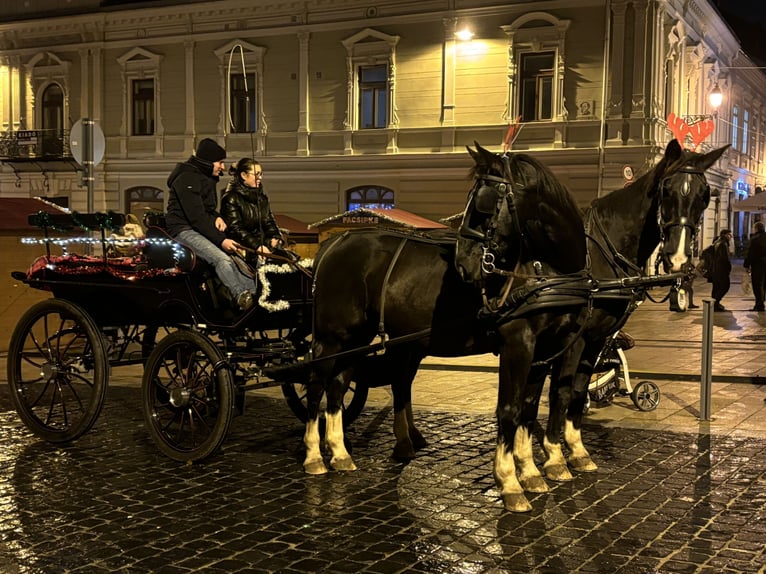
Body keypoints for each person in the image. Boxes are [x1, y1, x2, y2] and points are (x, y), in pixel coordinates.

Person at [165, 138, 255, 310]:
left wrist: (216, 217)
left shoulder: (204, 178)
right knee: (221, 259)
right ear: (207, 162)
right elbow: (196, 217)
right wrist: (221, 241)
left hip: (196, 227)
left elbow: (207, 209)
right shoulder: (187, 178)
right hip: (183, 229)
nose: (222, 167)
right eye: (220, 162)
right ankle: (241, 296)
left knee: (234, 257)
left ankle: (253, 291)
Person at [220, 158, 284, 266]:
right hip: (242, 250)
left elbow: (269, 221)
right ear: (244, 175)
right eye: (256, 174)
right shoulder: (231, 198)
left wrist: (275, 237)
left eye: (261, 174)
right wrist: (257, 246)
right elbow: (236, 229)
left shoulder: (262, 198)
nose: (260, 178)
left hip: (263, 247)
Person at [744, 221, 766, 312]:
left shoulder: (754, 239)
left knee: (758, 285)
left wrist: (746, 265)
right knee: (764, 285)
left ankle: (759, 305)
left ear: (756, 229)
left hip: (758, 265)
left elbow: (750, 254)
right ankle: (761, 301)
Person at [709, 229, 733, 312]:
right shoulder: (723, 244)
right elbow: (725, 258)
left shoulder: (717, 242)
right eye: (729, 235)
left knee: (716, 287)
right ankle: (714, 303)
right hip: (721, 269)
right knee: (725, 286)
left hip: (715, 269)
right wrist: (728, 268)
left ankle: (715, 305)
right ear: (725, 235)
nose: (731, 236)